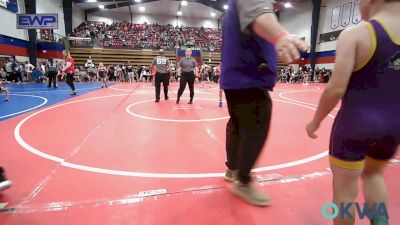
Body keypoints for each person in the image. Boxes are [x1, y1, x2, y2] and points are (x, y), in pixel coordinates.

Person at [306, 0, 400, 224]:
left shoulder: (357, 34)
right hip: (393, 128)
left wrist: (316, 121)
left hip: (354, 126)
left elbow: (335, 88)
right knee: (373, 175)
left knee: (345, 193)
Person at [220, 0, 308, 206]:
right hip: (248, 76)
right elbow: (259, 16)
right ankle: (243, 181)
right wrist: (280, 36)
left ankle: (232, 169)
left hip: (236, 76)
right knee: (257, 125)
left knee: (237, 124)